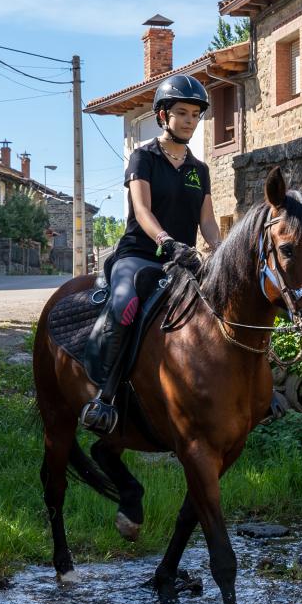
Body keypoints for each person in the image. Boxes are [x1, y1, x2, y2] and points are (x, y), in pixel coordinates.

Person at [80, 74, 219, 434]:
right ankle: (104, 396)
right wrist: (166, 240)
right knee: (125, 307)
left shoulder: (199, 170)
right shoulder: (142, 158)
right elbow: (141, 210)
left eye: (195, 114)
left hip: (182, 262)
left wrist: (220, 251)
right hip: (139, 256)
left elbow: (207, 220)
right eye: (182, 113)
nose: (190, 120)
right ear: (163, 116)